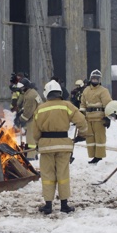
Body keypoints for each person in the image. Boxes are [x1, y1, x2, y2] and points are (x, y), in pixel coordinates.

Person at [33, 80, 88, 214]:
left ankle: (48, 205)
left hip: (46, 147)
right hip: (63, 145)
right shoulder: (67, 105)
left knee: (47, 175)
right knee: (63, 174)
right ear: (60, 93)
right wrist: (82, 134)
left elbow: (35, 132)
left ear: (47, 93)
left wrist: (38, 142)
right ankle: (64, 205)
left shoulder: (40, 108)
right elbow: (81, 121)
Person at [79, 69, 112, 164]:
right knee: (90, 138)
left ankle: (99, 156)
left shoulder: (103, 91)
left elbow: (108, 104)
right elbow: (83, 104)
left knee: (99, 138)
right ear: (90, 79)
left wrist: (107, 117)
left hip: (99, 118)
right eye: (93, 79)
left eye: (97, 79)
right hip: (88, 118)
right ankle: (93, 155)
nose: (95, 81)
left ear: (100, 80)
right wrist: (81, 114)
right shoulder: (86, 90)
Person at [15, 78, 42, 160]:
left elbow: (28, 112)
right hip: (37, 116)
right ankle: (36, 153)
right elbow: (28, 107)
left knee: (30, 137)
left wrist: (21, 119)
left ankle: (31, 155)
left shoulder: (30, 96)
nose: (20, 90)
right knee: (35, 136)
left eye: (21, 88)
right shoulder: (31, 92)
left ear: (25, 87)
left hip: (34, 118)